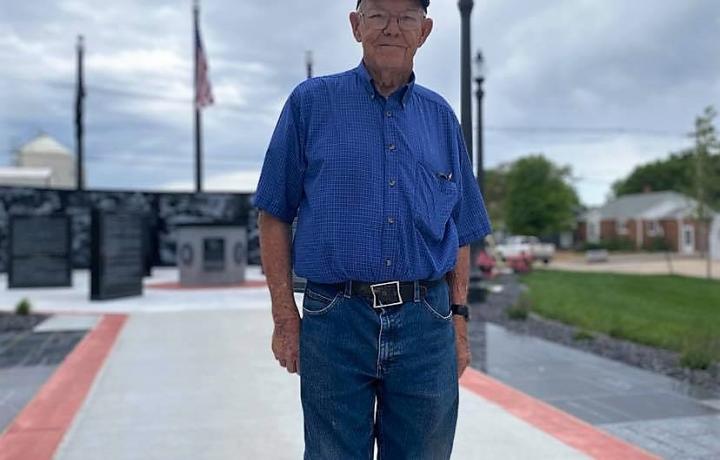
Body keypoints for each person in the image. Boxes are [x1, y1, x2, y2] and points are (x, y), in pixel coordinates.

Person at [253, 0, 492, 457]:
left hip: (427, 322)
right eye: (378, 14)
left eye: (406, 17)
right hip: (336, 319)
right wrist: (285, 316)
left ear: (424, 31)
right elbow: (273, 214)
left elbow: (459, 229)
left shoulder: (441, 118)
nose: (391, 28)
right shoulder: (311, 104)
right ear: (355, 25)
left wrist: (459, 325)